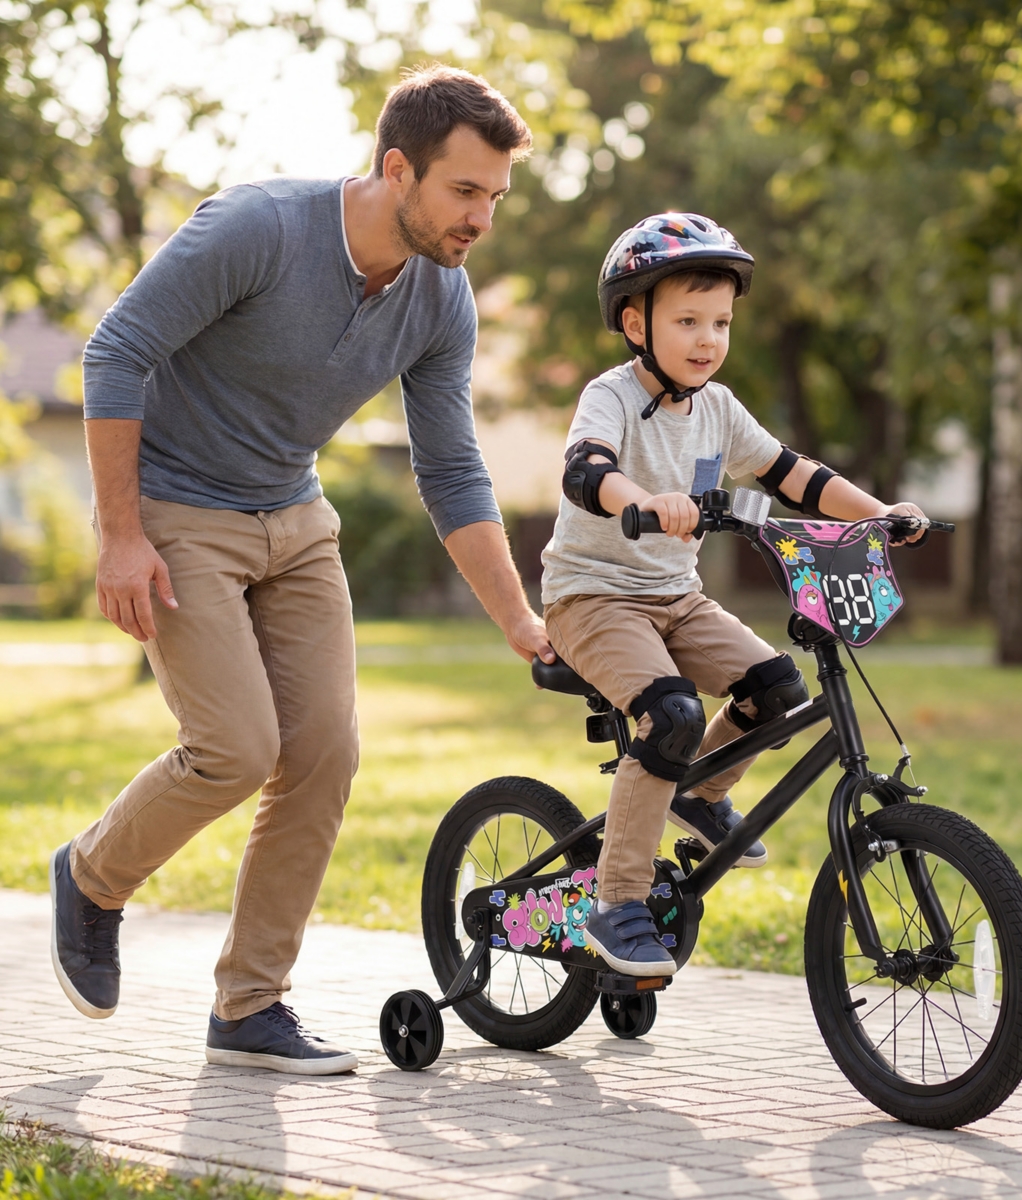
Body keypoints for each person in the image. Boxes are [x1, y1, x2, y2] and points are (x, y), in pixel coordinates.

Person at [50, 65, 554, 1074]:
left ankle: (250, 1007)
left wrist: (521, 622)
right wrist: (118, 533)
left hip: (294, 517)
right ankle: (93, 876)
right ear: (397, 167)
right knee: (236, 747)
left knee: (324, 753)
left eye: (495, 199)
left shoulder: (442, 301)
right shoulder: (259, 229)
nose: (481, 221)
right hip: (179, 510)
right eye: (465, 193)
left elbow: (451, 469)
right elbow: (116, 353)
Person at [539, 213, 926, 976]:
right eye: (687, 320)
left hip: (674, 599)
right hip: (593, 599)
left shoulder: (718, 406)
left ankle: (699, 795)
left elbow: (795, 475)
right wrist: (640, 500)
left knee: (775, 686)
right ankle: (619, 902)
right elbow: (585, 470)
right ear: (633, 321)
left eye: (720, 322)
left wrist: (879, 515)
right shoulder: (609, 396)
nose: (708, 339)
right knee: (672, 714)